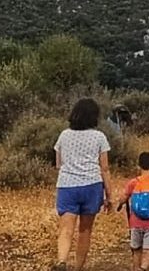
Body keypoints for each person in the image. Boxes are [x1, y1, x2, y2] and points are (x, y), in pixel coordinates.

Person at [52, 98, 114, 271]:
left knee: (66, 229)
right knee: (85, 231)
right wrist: (109, 195)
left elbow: (58, 164)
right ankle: (78, 267)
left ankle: (62, 262)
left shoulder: (64, 135)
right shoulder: (99, 137)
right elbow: (105, 168)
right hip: (91, 185)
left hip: (67, 185)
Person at [116, 152, 149, 271]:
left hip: (135, 223)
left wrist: (120, 204)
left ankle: (136, 268)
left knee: (136, 249)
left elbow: (123, 198)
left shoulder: (133, 183)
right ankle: (143, 268)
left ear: (139, 166)